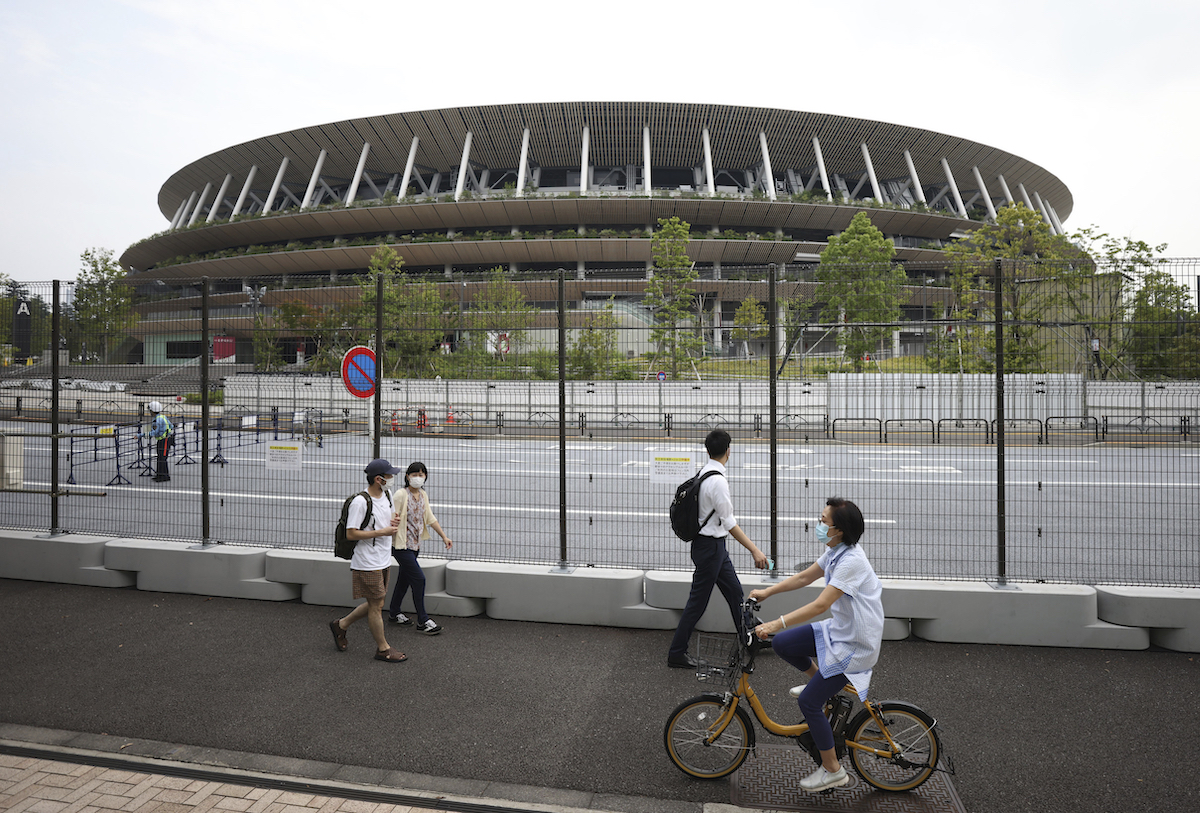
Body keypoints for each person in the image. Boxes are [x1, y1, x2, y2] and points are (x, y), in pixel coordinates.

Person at [749, 497, 884, 793]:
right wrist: (767, 592)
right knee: (783, 643)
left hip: (855, 644)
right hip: (840, 630)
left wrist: (775, 622)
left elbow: (821, 604)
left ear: (839, 530)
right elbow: (803, 577)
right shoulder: (836, 551)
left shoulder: (851, 561)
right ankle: (822, 685)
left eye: (824, 521)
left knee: (808, 702)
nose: (819, 525)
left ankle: (833, 770)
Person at [668, 428, 769, 669]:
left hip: (711, 547)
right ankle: (676, 653)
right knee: (697, 603)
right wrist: (755, 550)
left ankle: (749, 640)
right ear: (728, 451)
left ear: (708, 450)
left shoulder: (704, 472)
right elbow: (730, 523)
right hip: (710, 548)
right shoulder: (718, 481)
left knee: (735, 594)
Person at [328, 459, 408, 663]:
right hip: (366, 561)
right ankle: (383, 649)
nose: (392, 479)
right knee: (376, 606)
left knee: (377, 602)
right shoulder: (360, 502)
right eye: (389, 476)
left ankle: (341, 625)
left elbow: (387, 519)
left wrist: (393, 522)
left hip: (383, 557)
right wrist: (383, 531)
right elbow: (351, 533)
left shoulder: (387, 494)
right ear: (378, 479)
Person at [384, 462, 453, 635]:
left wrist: (444, 536)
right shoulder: (401, 494)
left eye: (422, 474)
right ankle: (423, 620)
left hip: (415, 545)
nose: (418, 477)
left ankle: (394, 612)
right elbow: (390, 515)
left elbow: (429, 518)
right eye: (415, 474)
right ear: (407, 476)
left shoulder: (422, 494)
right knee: (419, 580)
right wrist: (392, 523)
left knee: (404, 580)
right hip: (400, 546)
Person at [140, 401, 174, 482]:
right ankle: (160, 474)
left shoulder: (157, 420)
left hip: (164, 440)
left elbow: (155, 432)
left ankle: (164, 476)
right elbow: (171, 426)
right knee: (161, 457)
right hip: (165, 439)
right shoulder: (163, 417)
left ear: (152, 411)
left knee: (162, 458)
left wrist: (142, 435)